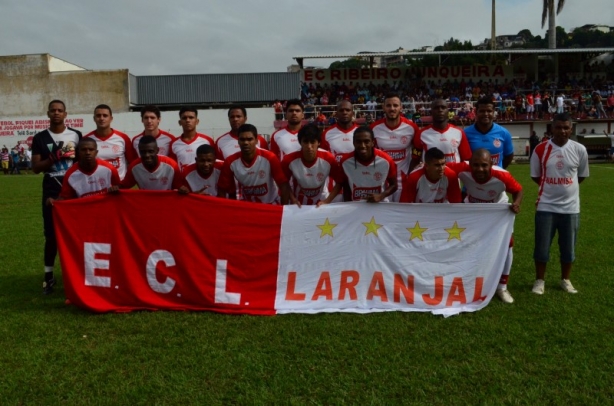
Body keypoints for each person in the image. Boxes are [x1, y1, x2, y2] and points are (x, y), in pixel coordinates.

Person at [447, 149, 523, 303]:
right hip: (473, 210)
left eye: (483, 165)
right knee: (469, 244)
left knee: (507, 245)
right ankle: (469, 281)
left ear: (492, 164)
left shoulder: (502, 176)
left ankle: (502, 287)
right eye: (475, 165)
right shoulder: (463, 168)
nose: (479, 169)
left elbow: (518, 190)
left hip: (497, 211)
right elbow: (444, 167)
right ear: (470, 164)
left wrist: (516, 203)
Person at [530, 113, 589, 295]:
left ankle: (566, 280)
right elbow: (535, 176)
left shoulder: (579, 149)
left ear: (571, 129)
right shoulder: (540, 149)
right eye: (558, 127)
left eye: (566, 128)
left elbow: (580, 176)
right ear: (551, 129)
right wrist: (551, 189)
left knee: (568, 247)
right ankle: (540, 281)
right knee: (541, 246)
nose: (562, 131)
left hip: (570, 208)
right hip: (546, 206)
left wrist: (565, 190)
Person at [31, 100, 82, 294]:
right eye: (53, 110)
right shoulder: (40, 138)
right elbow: (35, 168)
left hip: (74, 189)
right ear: (48, 113)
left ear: (66, 114)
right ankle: (48, 277)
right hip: (51, 190)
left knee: (76, 235)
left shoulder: (76, 135)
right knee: (51, 235)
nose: (56, 113)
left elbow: (81, 162)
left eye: (60, 110)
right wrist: (54, 157)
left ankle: (77, 275)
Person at [217, 124, 290, 204]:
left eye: (249, 139)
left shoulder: (270, 157)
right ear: (238, 141)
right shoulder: (230, 161)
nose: (246, 143)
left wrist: (283, 209)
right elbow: (222, 189)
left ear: (256, 140)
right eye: (242, 139)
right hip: (248, 206)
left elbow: (283, 185)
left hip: (271, 204)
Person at [371, 92, 419, 202]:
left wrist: (410, 174)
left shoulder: (411, 128)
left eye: (395, 105)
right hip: (381, 182)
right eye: (388, 105)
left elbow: (417, 154)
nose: (392, 109)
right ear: (383, 108)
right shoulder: (374, 128)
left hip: (403, 181)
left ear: (401, 107)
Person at [281, 123, 343, 207]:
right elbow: (284, 183)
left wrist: (327, 201)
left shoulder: (328, 158)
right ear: (300, 142)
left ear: (319, 143)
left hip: (321, 203)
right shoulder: (289, 160)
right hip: (299, 204)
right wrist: (293, 199)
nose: (309, 146)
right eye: (305, 142)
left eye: (312, 142)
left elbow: (340, 182)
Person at [48, 138, 121, 203]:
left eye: (91, 149)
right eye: (84, 150)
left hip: (106, 210)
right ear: (78, 152)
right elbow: (65, 198)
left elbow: (120, 190)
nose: (88, 153)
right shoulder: (70, 174)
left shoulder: (109, 169)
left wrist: (115, 188)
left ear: (96, 152)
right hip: (85, 213)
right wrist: (54, 202)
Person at [339, 126, 397, 203]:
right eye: (358, 142)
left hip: (380, 205)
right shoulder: (345, 162)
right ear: (353, 143)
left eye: (366, 141)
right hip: (356, 206)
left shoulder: (386, 160)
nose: (362, 146)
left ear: (373, 143)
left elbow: (394, 185)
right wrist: (348, 205)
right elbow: (346, 187)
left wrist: (381, 196)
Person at [410, 98, 472, 169]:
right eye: (436, 108)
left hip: (453, 178)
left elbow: (467, 159)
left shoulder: (459, 132)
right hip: (430, 178)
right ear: (431, 112)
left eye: (443, 107)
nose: (440, 110)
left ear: (447, 111)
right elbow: (415, 160)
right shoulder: (421, 134)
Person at [85, 104, 135, 180]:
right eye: (98, 116)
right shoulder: (87, 140)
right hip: (98, 185)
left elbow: (132, 163)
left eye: (105, 116)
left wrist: (125, 183)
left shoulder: (123, 138)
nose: (101, 118)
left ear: (111, 118)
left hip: (120, 185)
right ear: (94, 118)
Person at [464, 97, 514, 169]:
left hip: (496, 178)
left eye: (489, 111)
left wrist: (498, 170)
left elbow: (509, 156)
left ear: (493, 112)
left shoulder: (504, 133)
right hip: (474, 178)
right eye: (482, 111)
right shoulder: (466, 133)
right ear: (476, 112)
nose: (486, 114)